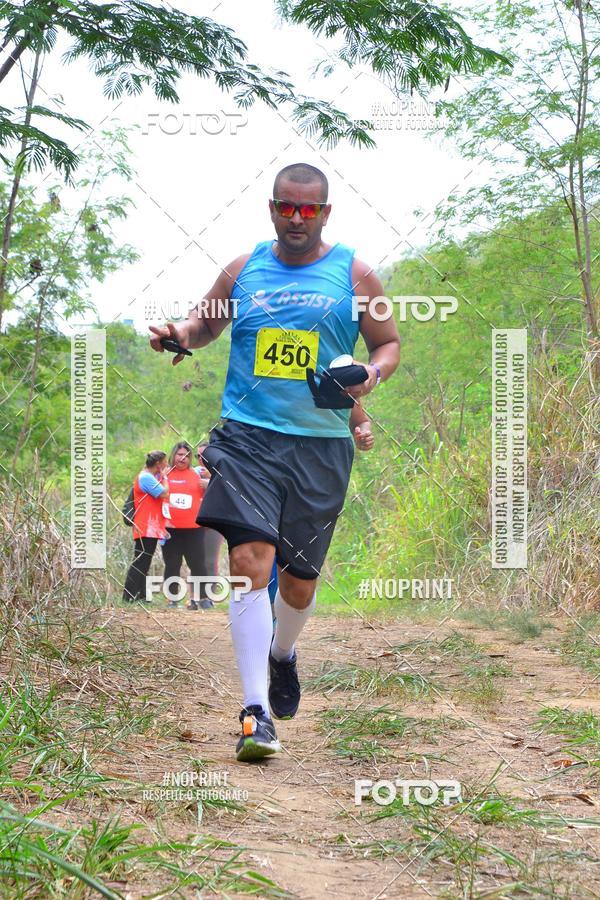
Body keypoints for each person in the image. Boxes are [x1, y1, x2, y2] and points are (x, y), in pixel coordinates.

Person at [150, 162, 400, 762]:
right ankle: (255, 712)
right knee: (248, 561)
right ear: (271, 207)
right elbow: (203, 324)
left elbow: (387, 346)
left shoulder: (356, 275)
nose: (295, 217)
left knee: (299, 580)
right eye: (286, 207)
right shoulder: (243, 270)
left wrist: (369, 374)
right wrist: (181, 333)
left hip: (319, 444)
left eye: (307, 209)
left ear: (325, 213)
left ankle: (282, 654)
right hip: (247, 439)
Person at [163, 441, 214, 610]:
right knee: (172, 564)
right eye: (179, 455)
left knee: (198, 564)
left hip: (194, 529)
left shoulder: (198, 473)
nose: (182, 458)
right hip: (170, 530)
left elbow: (222, 482)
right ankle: (172, 600)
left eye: (186, 455)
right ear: (173, 456)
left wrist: (209, 483)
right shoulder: (165, 474)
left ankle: (203, 598)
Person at [123, 450, 170, 603]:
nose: (166, 464)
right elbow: (164, 493)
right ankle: (129, 596)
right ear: (158, 464)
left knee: (143, 562)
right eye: (165, 462)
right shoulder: (146, 478)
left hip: (150, 527)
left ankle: (141, 596)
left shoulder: (147, 476)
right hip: (145, 526)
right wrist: (165, 477)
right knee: (140, 562)